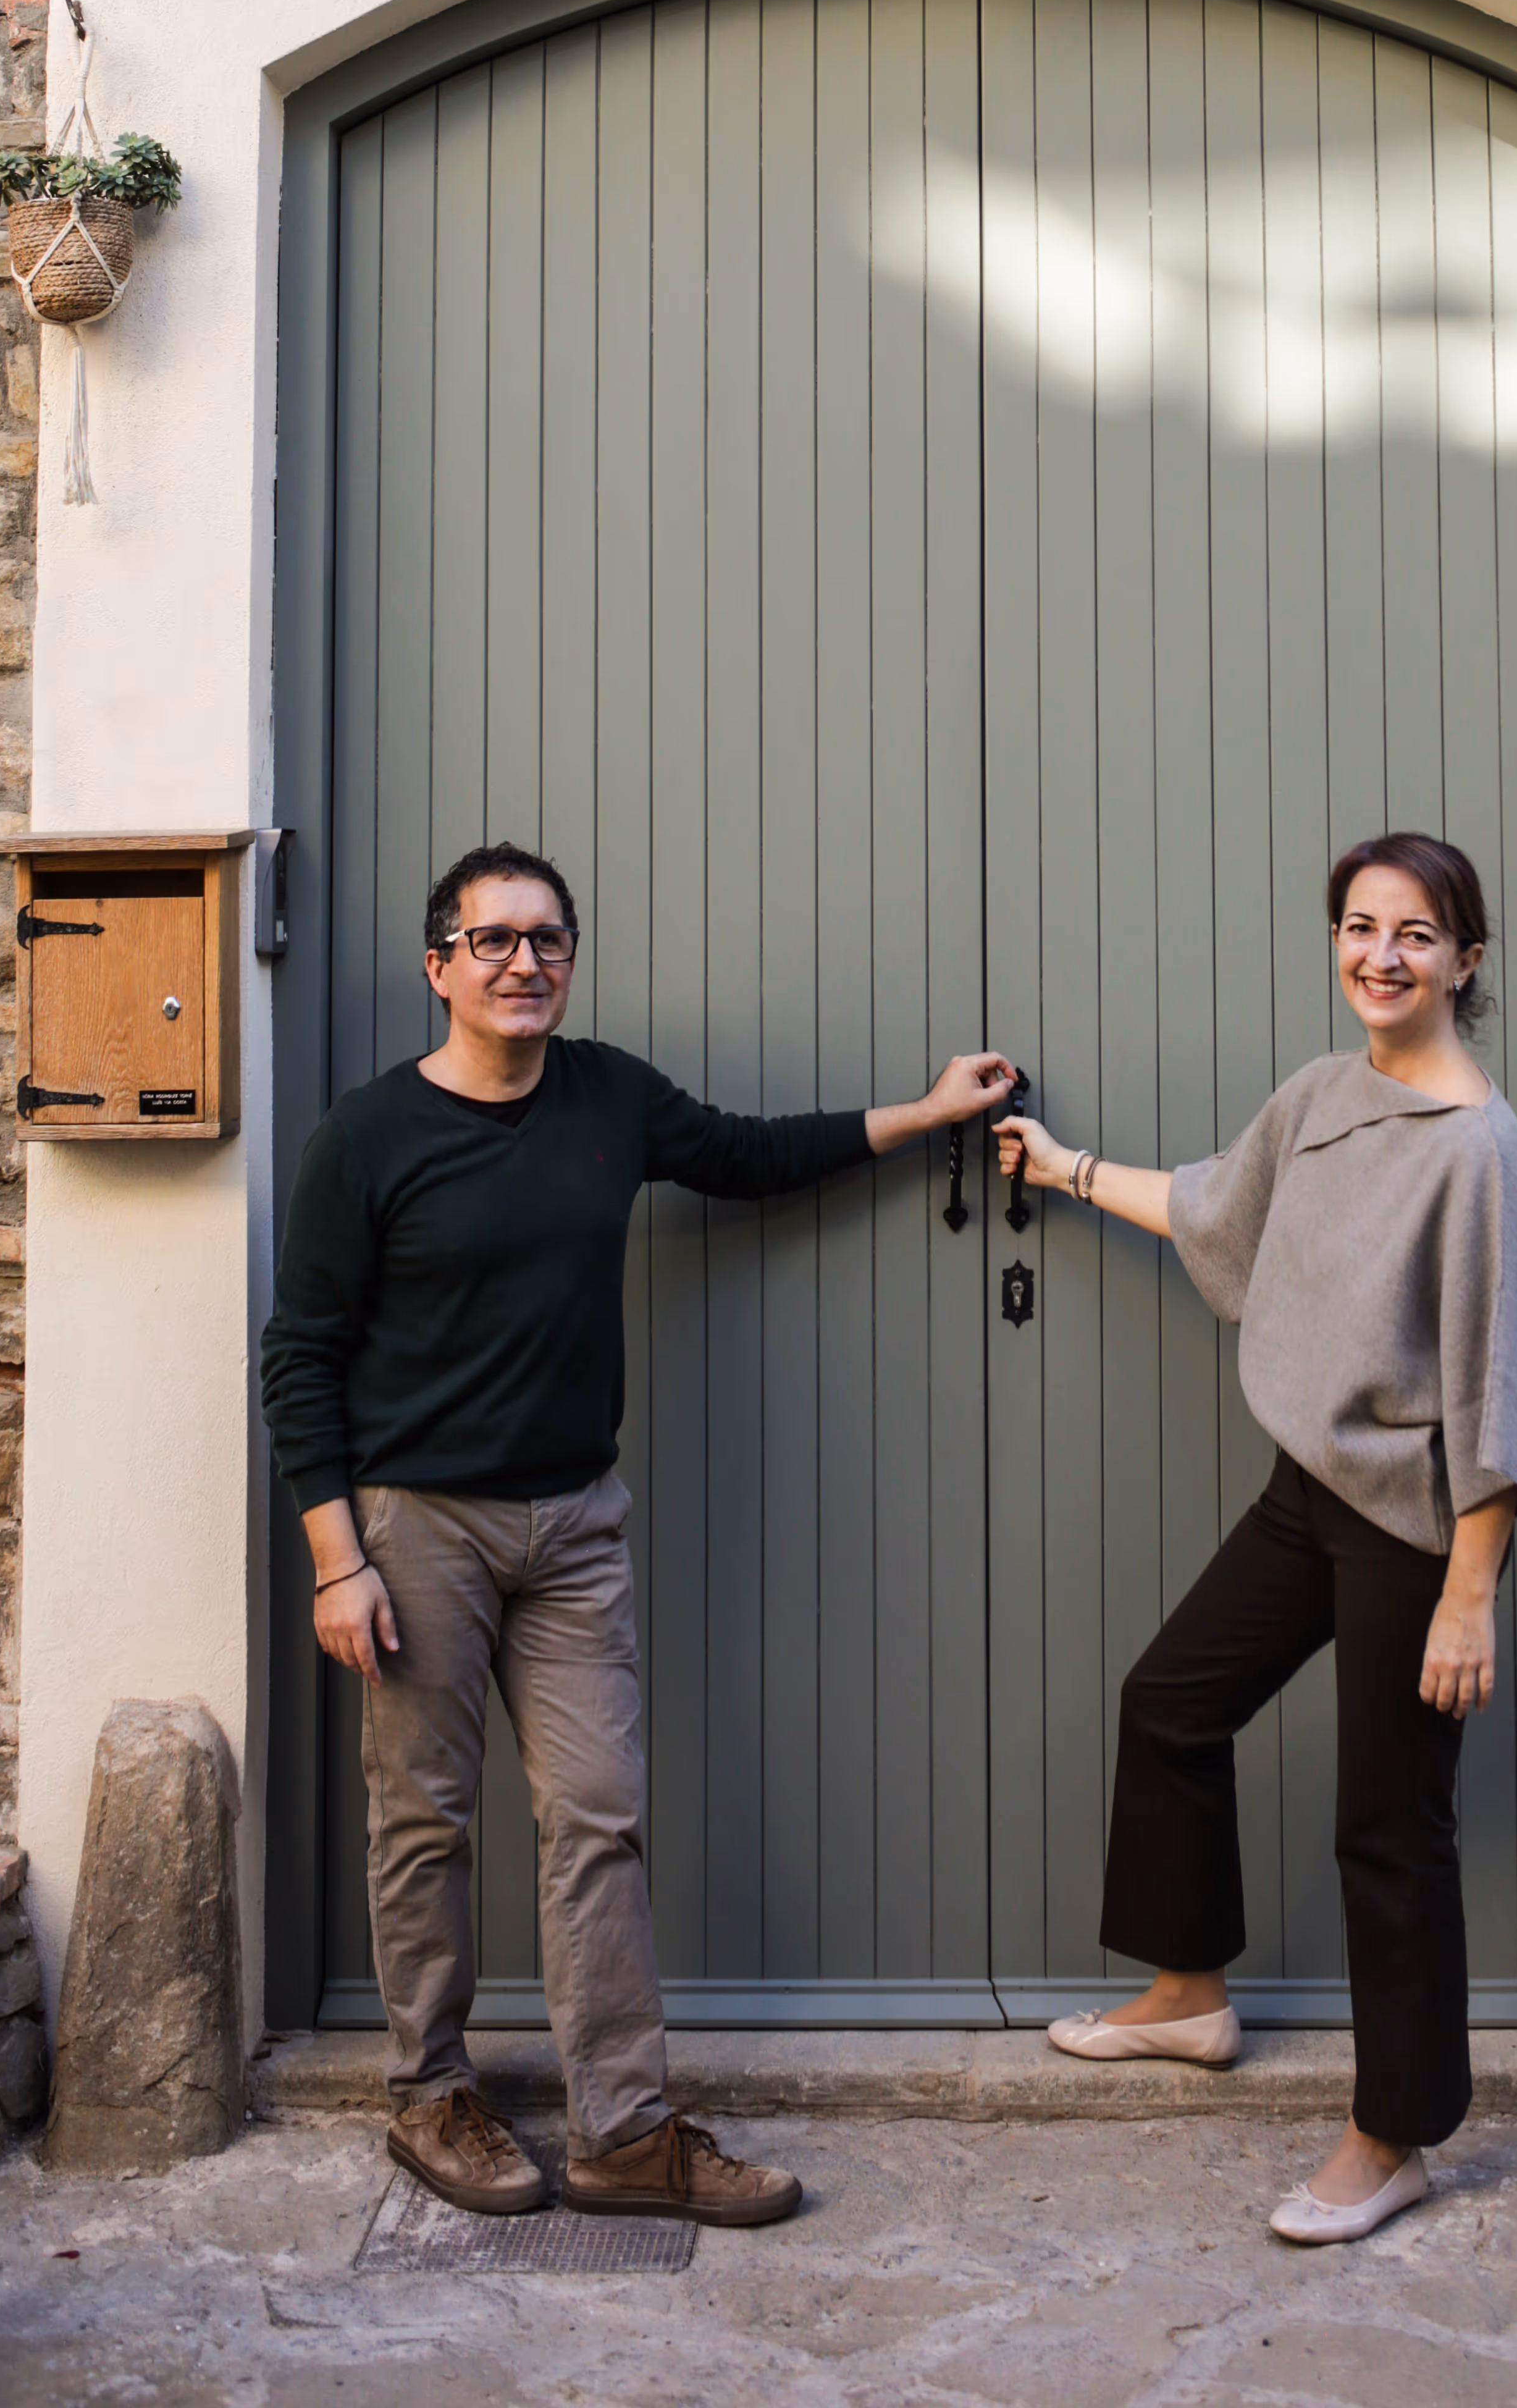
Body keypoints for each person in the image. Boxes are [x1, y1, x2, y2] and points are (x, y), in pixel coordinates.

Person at [261, 837, 1015, 2228]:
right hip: (417, 1529)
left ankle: (621, 2130)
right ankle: (430, 2095)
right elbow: (300, 1355)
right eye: (492, 940)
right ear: (440, 968)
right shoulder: (366, 1138)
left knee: (598, 1818)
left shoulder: (608, 1094)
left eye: (547, 939)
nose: (524, 962)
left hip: (575, 1529)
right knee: (422, 1820)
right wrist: (337, 1561)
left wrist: (921, 1115)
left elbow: (745, 1153)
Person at [994, 831, 1517, 2246]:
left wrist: (1470, 1595)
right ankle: (1190, 1998)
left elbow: (1502, 1393)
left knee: (1391, 1831)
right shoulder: (1320, 1096)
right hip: (1311, 1491)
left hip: (1417, 1531)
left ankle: (1395, 2137)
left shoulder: (1480, 1154)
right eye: (1361, 926)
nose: (1382, 955)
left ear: (1465, 961)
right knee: (1170, 1704)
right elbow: (1212, 1208)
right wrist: (1065, 1168)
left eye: (1415, 934)